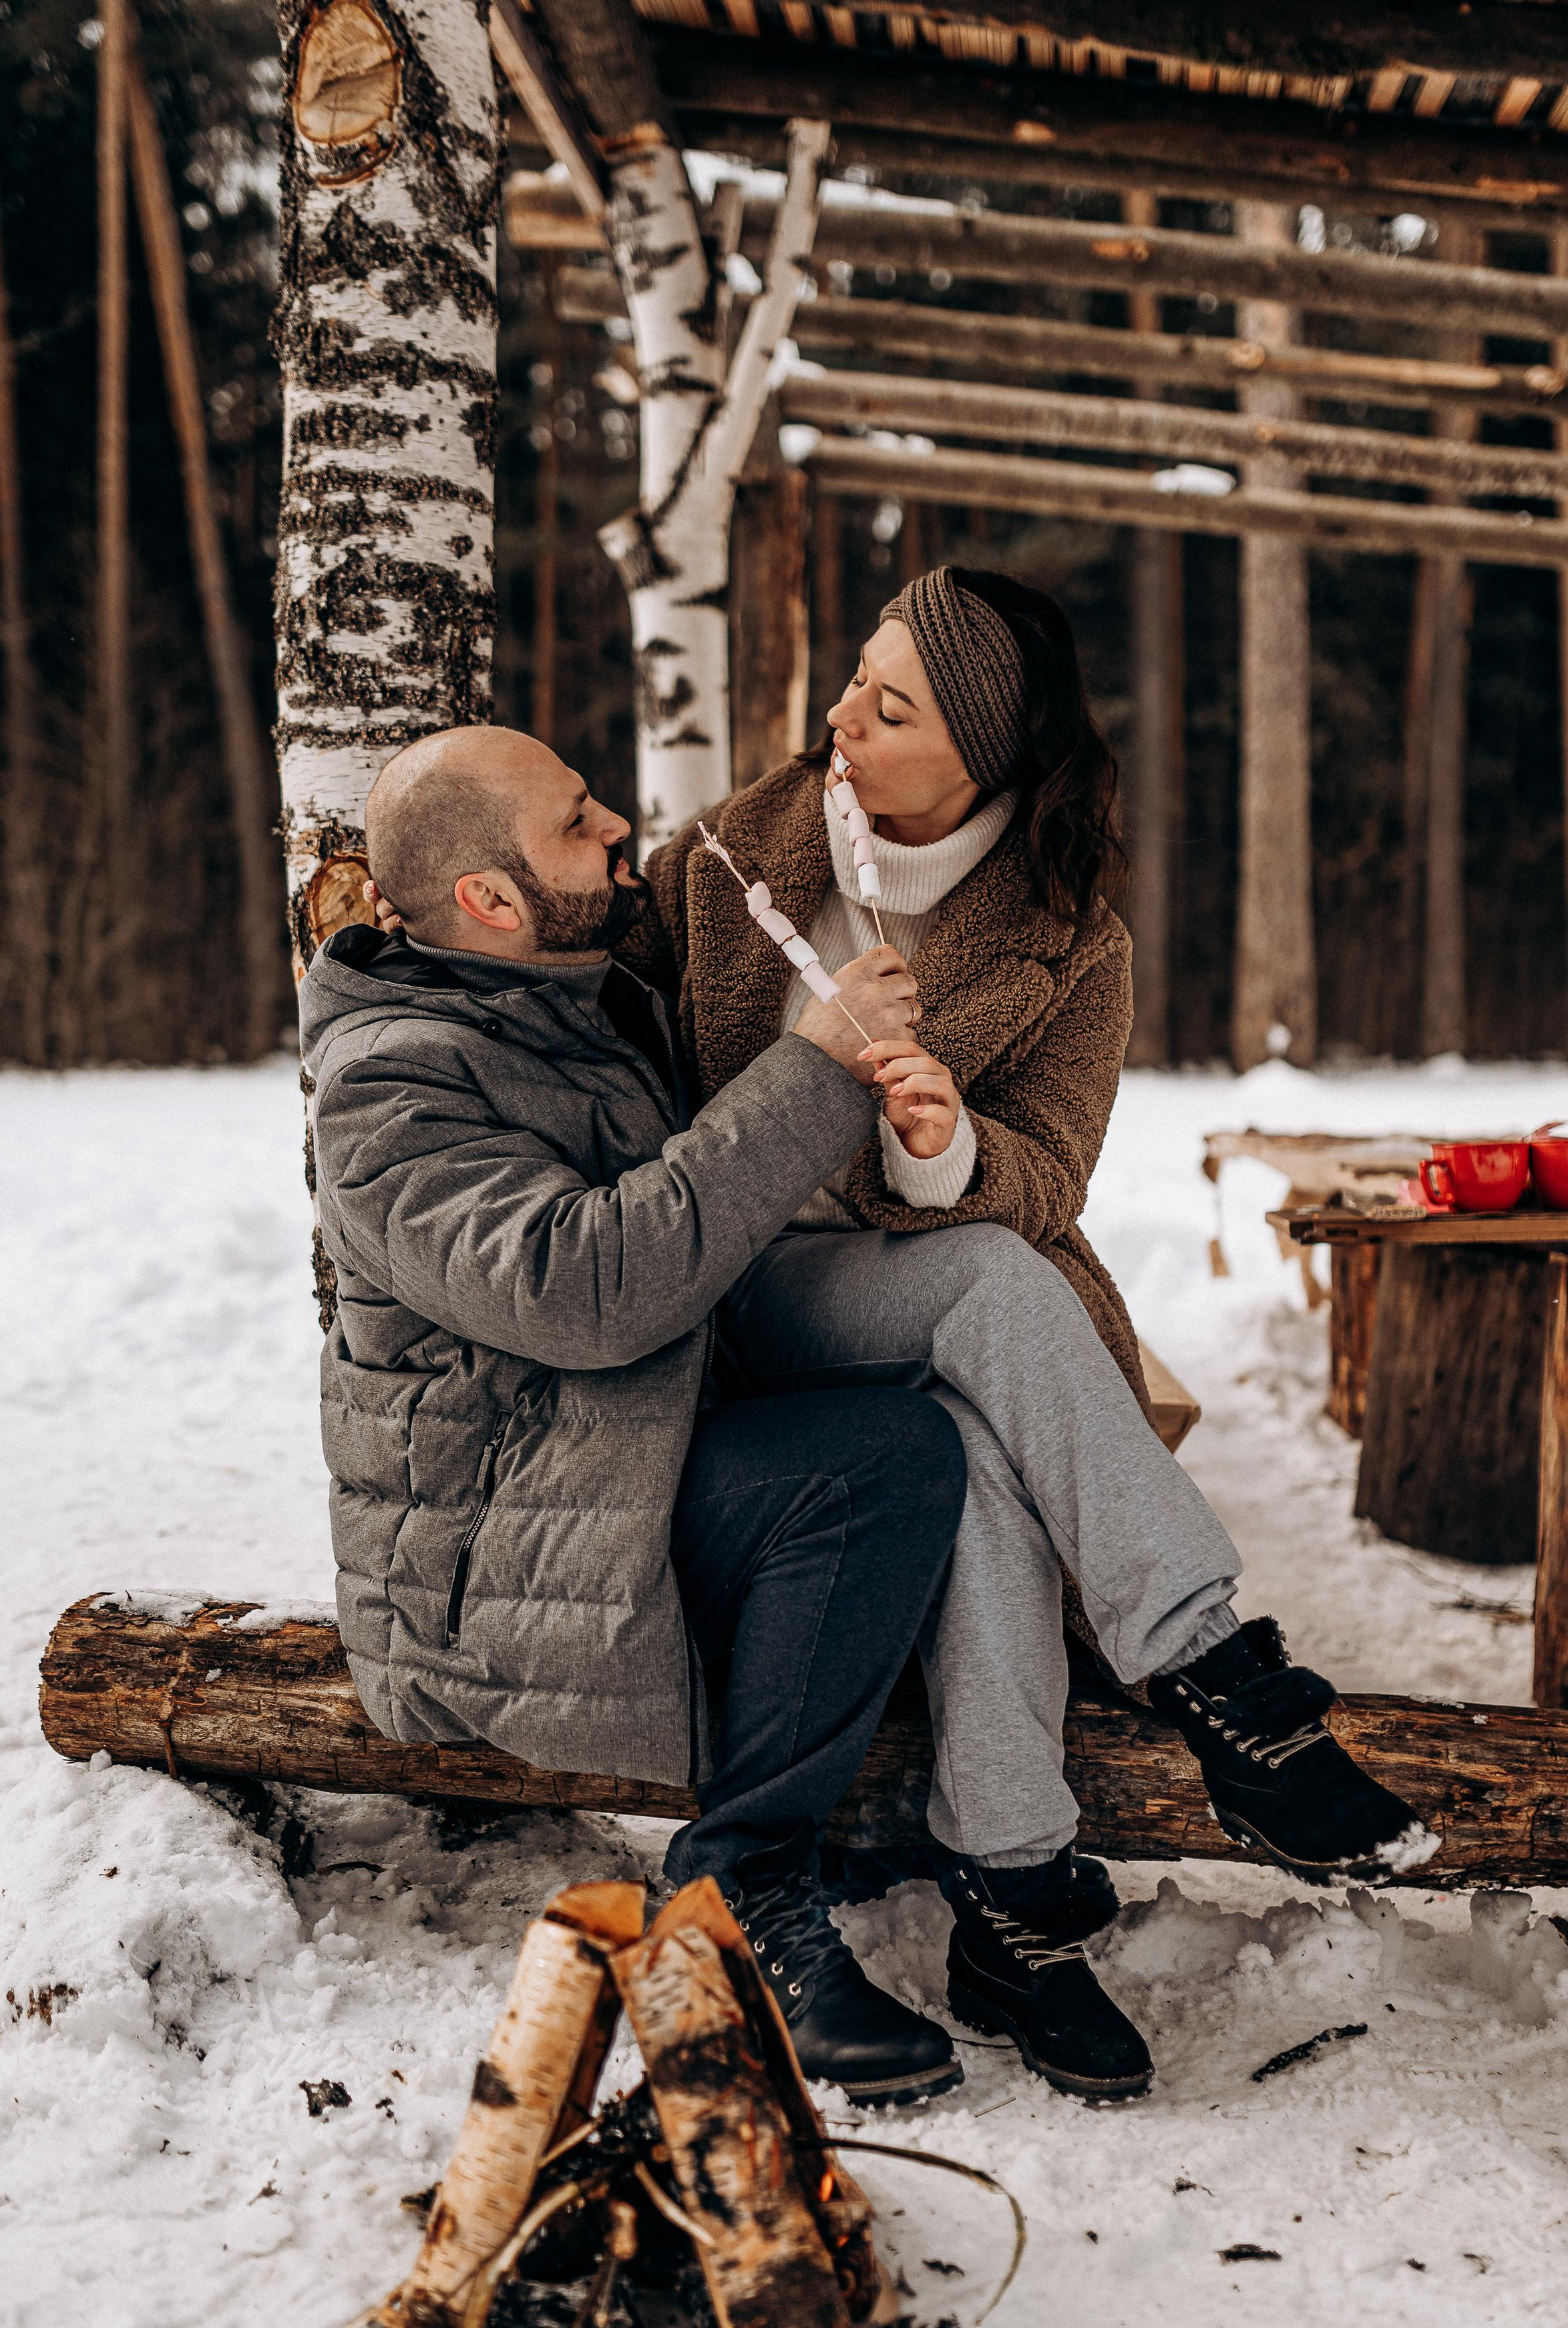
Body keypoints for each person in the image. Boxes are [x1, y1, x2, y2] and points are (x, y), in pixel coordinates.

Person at [604, 564, 1435, 2101]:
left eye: (888, 704)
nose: (838, 715)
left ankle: (1011, 1897)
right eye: (855, 675)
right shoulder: (740, 847)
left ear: (984, 766)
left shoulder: (1068, 941)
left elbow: (1043, 1175)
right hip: (738, 1298)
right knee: (996, 1284)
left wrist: (939, 1147)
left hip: (925, 1306)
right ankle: (1225, 1687)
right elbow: (598, 999)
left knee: (979, 1439)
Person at [304, 723, 972, 2110]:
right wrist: (814, 1066)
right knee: (875, 1464)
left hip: (607, 1473)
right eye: (573, 821)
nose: (617, 829)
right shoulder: (390, 1083)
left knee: (939, 1371)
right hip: (495, 1570)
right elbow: (591, 1287)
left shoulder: (570, 989)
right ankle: (743, 1887)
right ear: (489, 898)